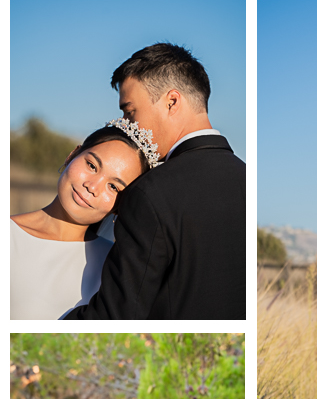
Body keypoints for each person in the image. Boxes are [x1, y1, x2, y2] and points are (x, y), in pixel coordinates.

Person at [65, 42, 246, 320]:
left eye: (130, 112)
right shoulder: (246, 180)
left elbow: (117, 315)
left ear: (172, 102)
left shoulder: (150, 193)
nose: (126, 126)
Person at [10, 122, 156, 319]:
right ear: (72, 155)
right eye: (92, 165)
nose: (92, 187)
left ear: (121, 207)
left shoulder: (118, 268)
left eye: (113, 187)